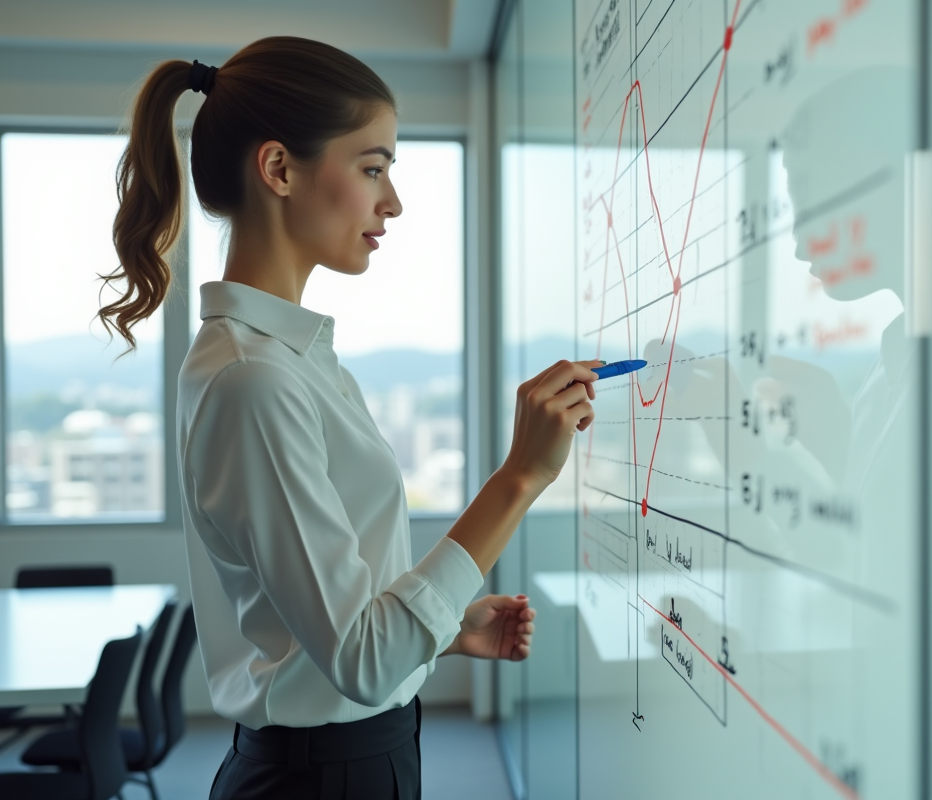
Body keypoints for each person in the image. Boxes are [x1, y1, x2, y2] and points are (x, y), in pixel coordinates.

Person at [98, 36, 600, 799]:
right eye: (373, 167)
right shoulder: (253, 381)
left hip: (353, 761)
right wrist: (521, 477)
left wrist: (446, 633)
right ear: (278, 170)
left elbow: (336, 629)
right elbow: (362, 659)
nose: (391, 201)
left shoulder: (294, 362)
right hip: (320, 779)